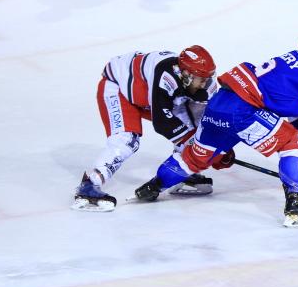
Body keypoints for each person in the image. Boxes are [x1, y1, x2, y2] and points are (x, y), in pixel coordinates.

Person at [133, 27, 298, 228]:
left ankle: (153, 187)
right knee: (291, 141)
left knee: (196, 157)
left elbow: (282, 111)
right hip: (243, 111)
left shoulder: (288, 61)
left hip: (220, 104)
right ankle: (297, 205)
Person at [72, 45, 218, 212]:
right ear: (186, 75)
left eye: (207, 78)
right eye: (201, 79)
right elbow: (162, 122)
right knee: (126, 141)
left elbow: (201, 124)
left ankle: (181, 173)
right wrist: (198, 148)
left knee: (192, 131)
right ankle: (89, 186)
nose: (205, 83)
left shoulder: (203, 84)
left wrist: (214, 147)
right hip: (119, 90)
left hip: (148, 97)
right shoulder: (166, 75)